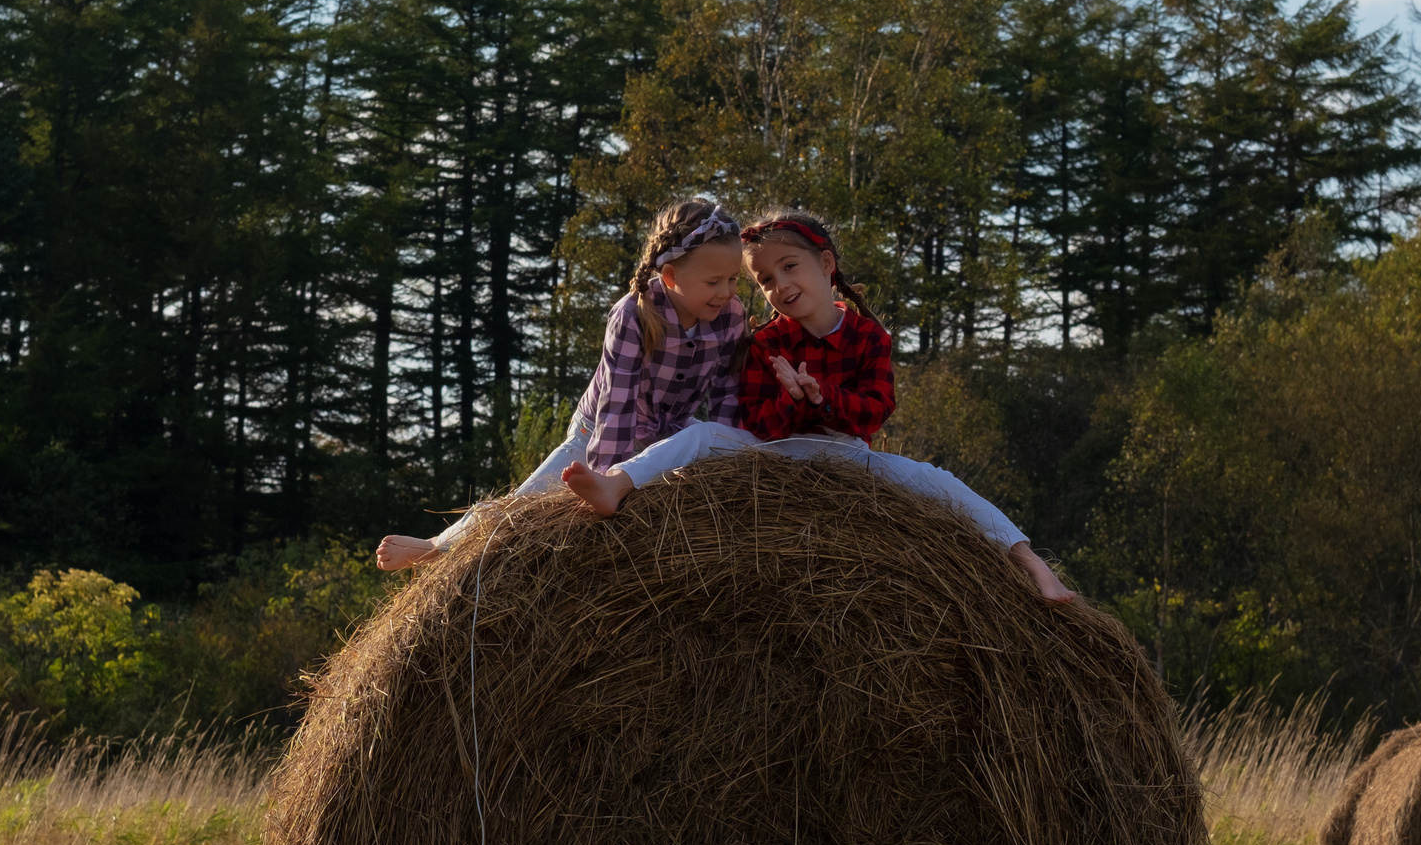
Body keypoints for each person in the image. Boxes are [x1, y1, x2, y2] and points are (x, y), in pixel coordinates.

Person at [561, 208, 1075, 601]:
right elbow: (755, 424)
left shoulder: (870, 337)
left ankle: (1027, 560)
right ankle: (615, 485)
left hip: (841, 453)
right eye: (764, 280)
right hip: (776, 450)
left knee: (931, 478)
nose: (780, 286)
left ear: (826, 265)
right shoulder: (764, 343)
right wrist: (789, 400)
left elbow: (874, 411)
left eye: (789, 268)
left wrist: (821, 397)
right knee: (695, 435)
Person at [372, 197, 751, 569]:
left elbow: (727, 394)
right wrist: (606, 481)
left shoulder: (731, 317)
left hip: (670, 431)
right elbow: (615, 406)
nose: (727, 291)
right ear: (670, 276)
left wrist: (730, 469)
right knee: (524, 505)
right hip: (597, 432)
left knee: (701, 442)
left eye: (734, 279)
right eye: (714, 281)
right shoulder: (634, 314)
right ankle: (438, 546)